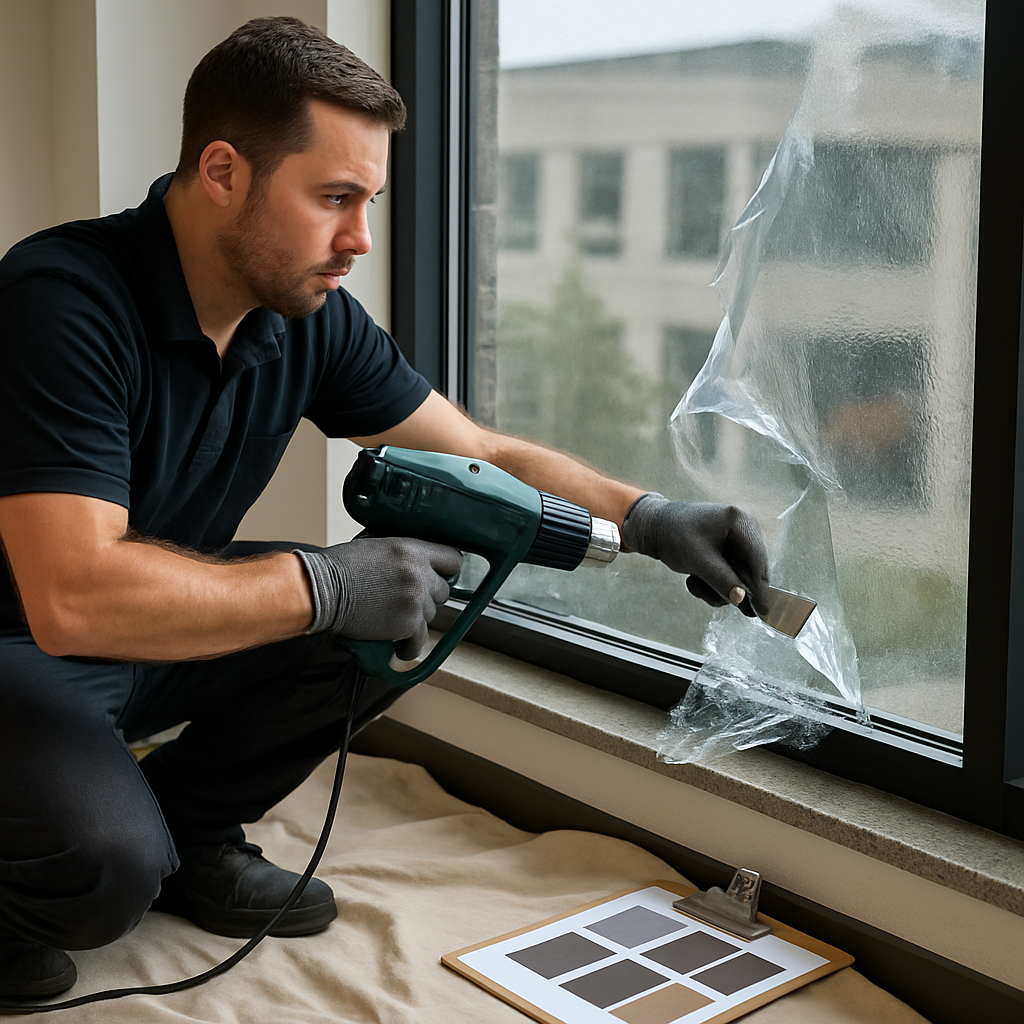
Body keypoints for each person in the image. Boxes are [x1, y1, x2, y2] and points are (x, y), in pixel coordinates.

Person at [0, 17, 770, 1000]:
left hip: (134, 638)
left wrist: (651, 516)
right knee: (103, 871)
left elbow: (480, 453)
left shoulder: (305, 316)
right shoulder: (60, 302)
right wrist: (322, 584)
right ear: (224, 172)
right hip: (18, 639)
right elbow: (72, 597)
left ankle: (192, 831)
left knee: (412, 584)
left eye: (367, 200)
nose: (359, 238)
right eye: (332, 199)